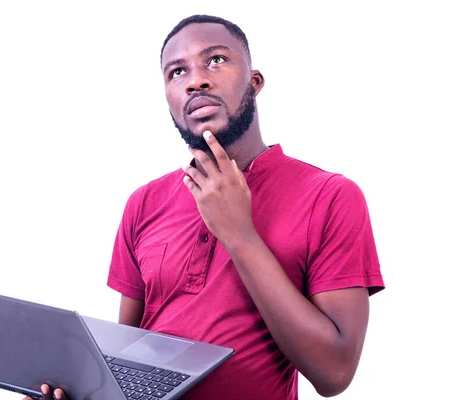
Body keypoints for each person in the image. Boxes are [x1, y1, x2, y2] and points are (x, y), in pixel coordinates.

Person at [25, 14, 385, 400]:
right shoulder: (143, 203)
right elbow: (123, 361)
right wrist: (83, 392)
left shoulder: (329, 196)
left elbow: (335, 372)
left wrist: (239, 233)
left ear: (254, 81)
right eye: (177, 72)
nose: (196, 80)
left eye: (216, 60)